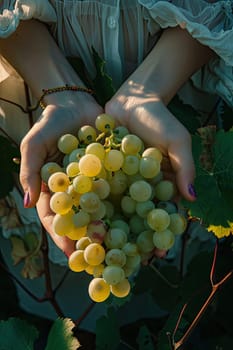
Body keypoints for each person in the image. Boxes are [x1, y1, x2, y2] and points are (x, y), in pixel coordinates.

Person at [0, 0, 232, 332]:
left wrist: (149, 91)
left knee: (165, 294)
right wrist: (59, 91)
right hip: (35, 82)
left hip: (180, 76)